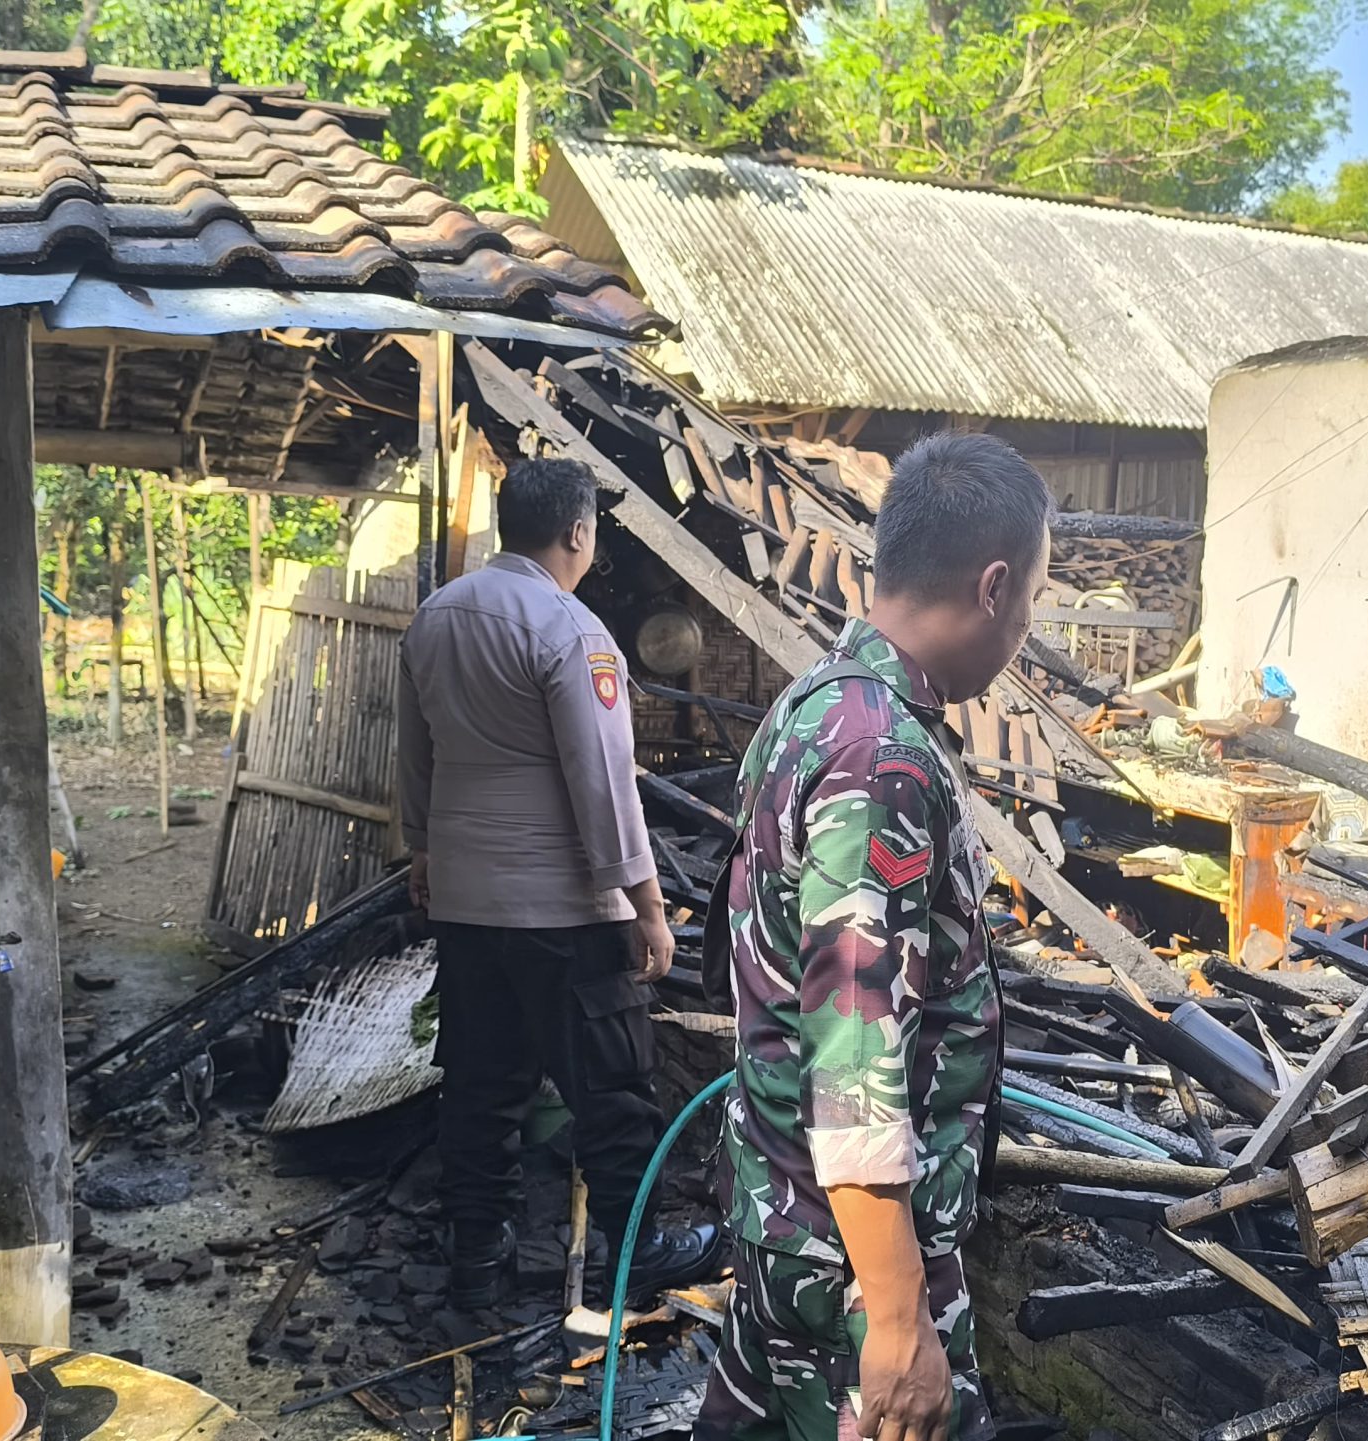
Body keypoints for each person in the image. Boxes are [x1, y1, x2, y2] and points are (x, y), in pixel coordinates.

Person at [695, 432, 1050, 1441]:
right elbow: (854, 1055)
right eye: (1030, 596)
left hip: (782, 1206)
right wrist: (897, 1315)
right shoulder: (879, 756)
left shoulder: (811, 709)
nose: (1026, 624)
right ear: (991, 585)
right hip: (850, 1254)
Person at [396, 456, 723, 1308]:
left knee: (479, 1085)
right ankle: (640, 1248)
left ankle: (477, 1254)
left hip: (468, 904)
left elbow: (415, 752)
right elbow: (605, 782)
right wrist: (648, 906)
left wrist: (423, 853)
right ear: (578, 531)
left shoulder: (434, 617)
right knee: (611, 1086)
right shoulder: (570, 629)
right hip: (564, 908)